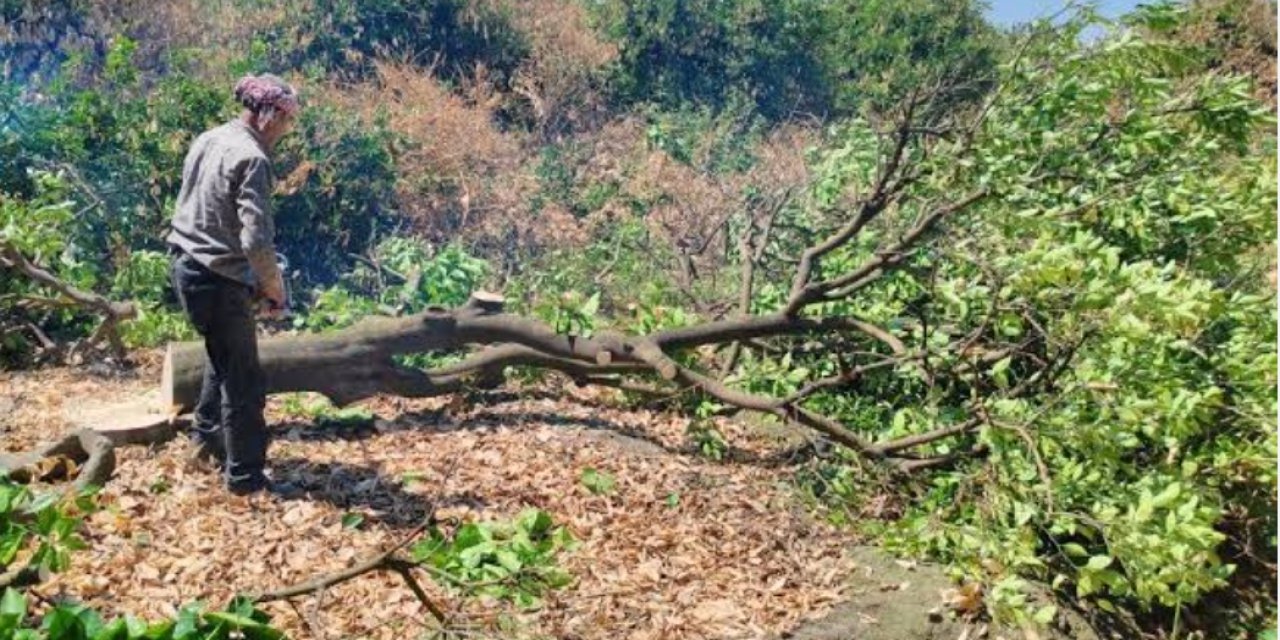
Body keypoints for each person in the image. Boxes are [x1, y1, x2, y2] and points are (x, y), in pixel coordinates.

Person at [166, 74, 299, 496]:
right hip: (217, 280)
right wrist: (273, 287)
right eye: (287, 121)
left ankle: (206, 444)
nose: (286, 131)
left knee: (221, 355)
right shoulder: (253, 158)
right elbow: (256, 241)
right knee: (244, 380)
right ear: (270, 115)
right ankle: (245, 480)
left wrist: (254, 281)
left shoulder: (210, 138)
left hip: (186, 267)